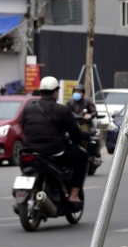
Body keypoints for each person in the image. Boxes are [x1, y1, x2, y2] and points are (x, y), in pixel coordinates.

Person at [21, 76, 88, 207]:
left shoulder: (28, 108)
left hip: (29, 150)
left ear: (40, 92)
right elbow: (76, 133)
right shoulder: (62, 110)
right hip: (54, 152)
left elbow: (24, 127)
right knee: (82, 156)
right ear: (56, 92)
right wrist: (87, 135)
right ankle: (74, 195)